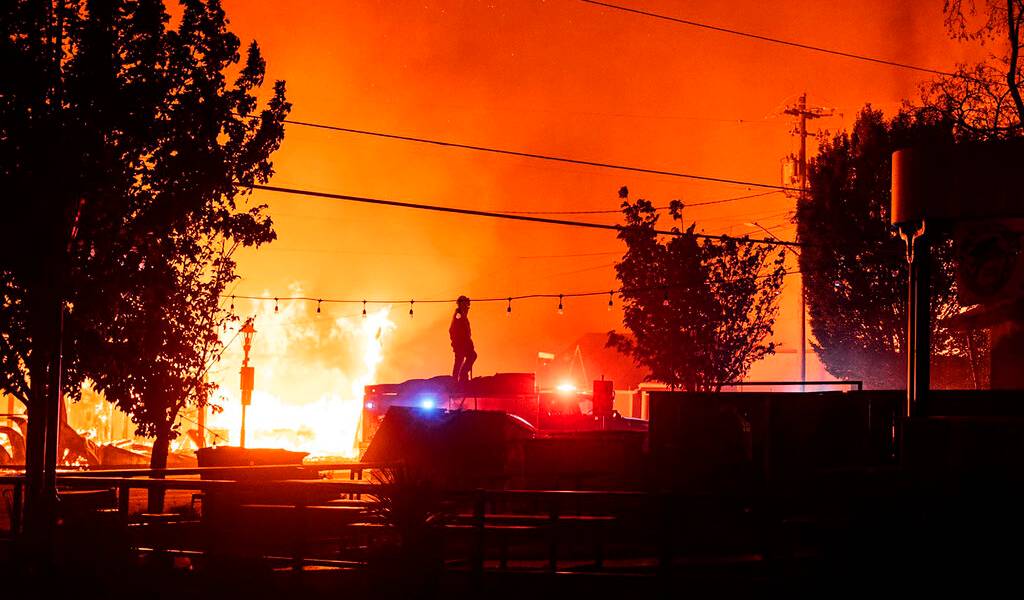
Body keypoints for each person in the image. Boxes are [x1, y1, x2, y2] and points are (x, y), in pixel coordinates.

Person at [449, 295, 476, 384]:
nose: (467, 307)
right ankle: (457, 380)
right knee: (459, 360)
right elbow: (453, 330)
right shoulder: (459, 315)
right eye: (465, 304)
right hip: (460, 344)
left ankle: (461, 377)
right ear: (461, 304)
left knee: (471, 356)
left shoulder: (462, 315)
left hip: (464, 343)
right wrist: (456, 342)